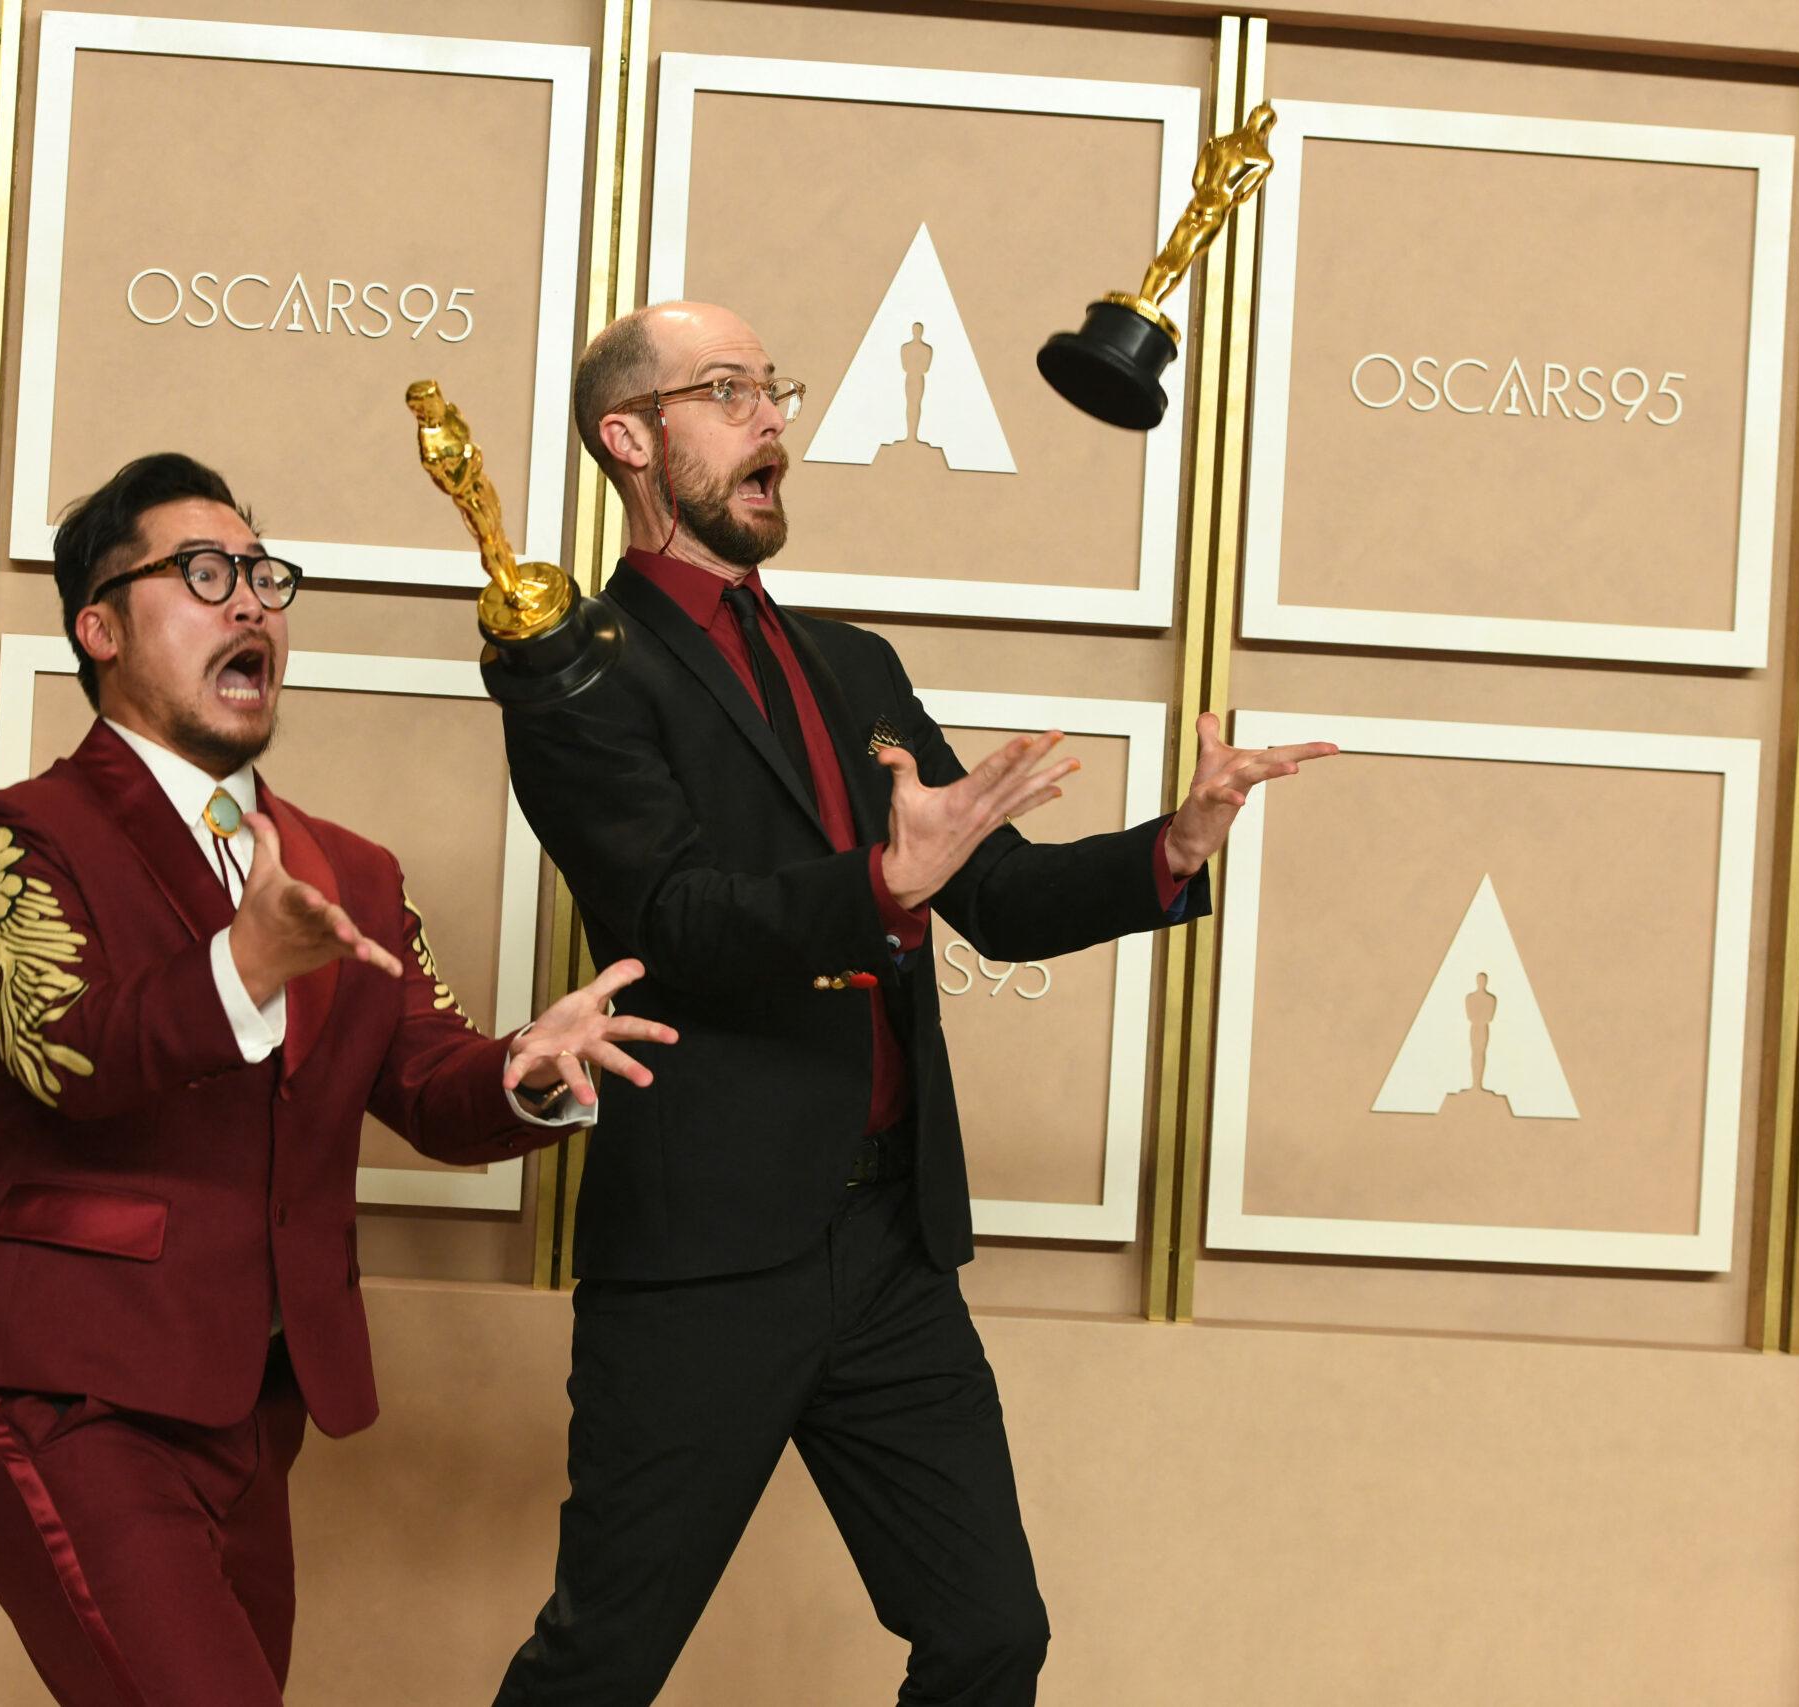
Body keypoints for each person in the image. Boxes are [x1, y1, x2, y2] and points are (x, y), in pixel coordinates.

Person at [492, 303, 1336, 1704]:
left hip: (890, 1242)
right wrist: (883, 876)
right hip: (709, 1251)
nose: (774, 419)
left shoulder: (852, 663)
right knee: (603, 1659)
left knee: (991, 1632)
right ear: (627, 437)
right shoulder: (581, 668)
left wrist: (1171, 846)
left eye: (777, 390)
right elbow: (673, 923)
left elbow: (990, 892)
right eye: (728, 391)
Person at [0, 452, 673, 1705]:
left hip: (256, 1410)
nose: (251, 602)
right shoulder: (12, 830)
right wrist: (241, 962)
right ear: (98, 627)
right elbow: (65, 1052)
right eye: (202, 576)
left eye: (265, 577)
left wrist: (529, 1073)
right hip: (57, 1384)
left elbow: (428, 1080)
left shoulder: (347, 870)